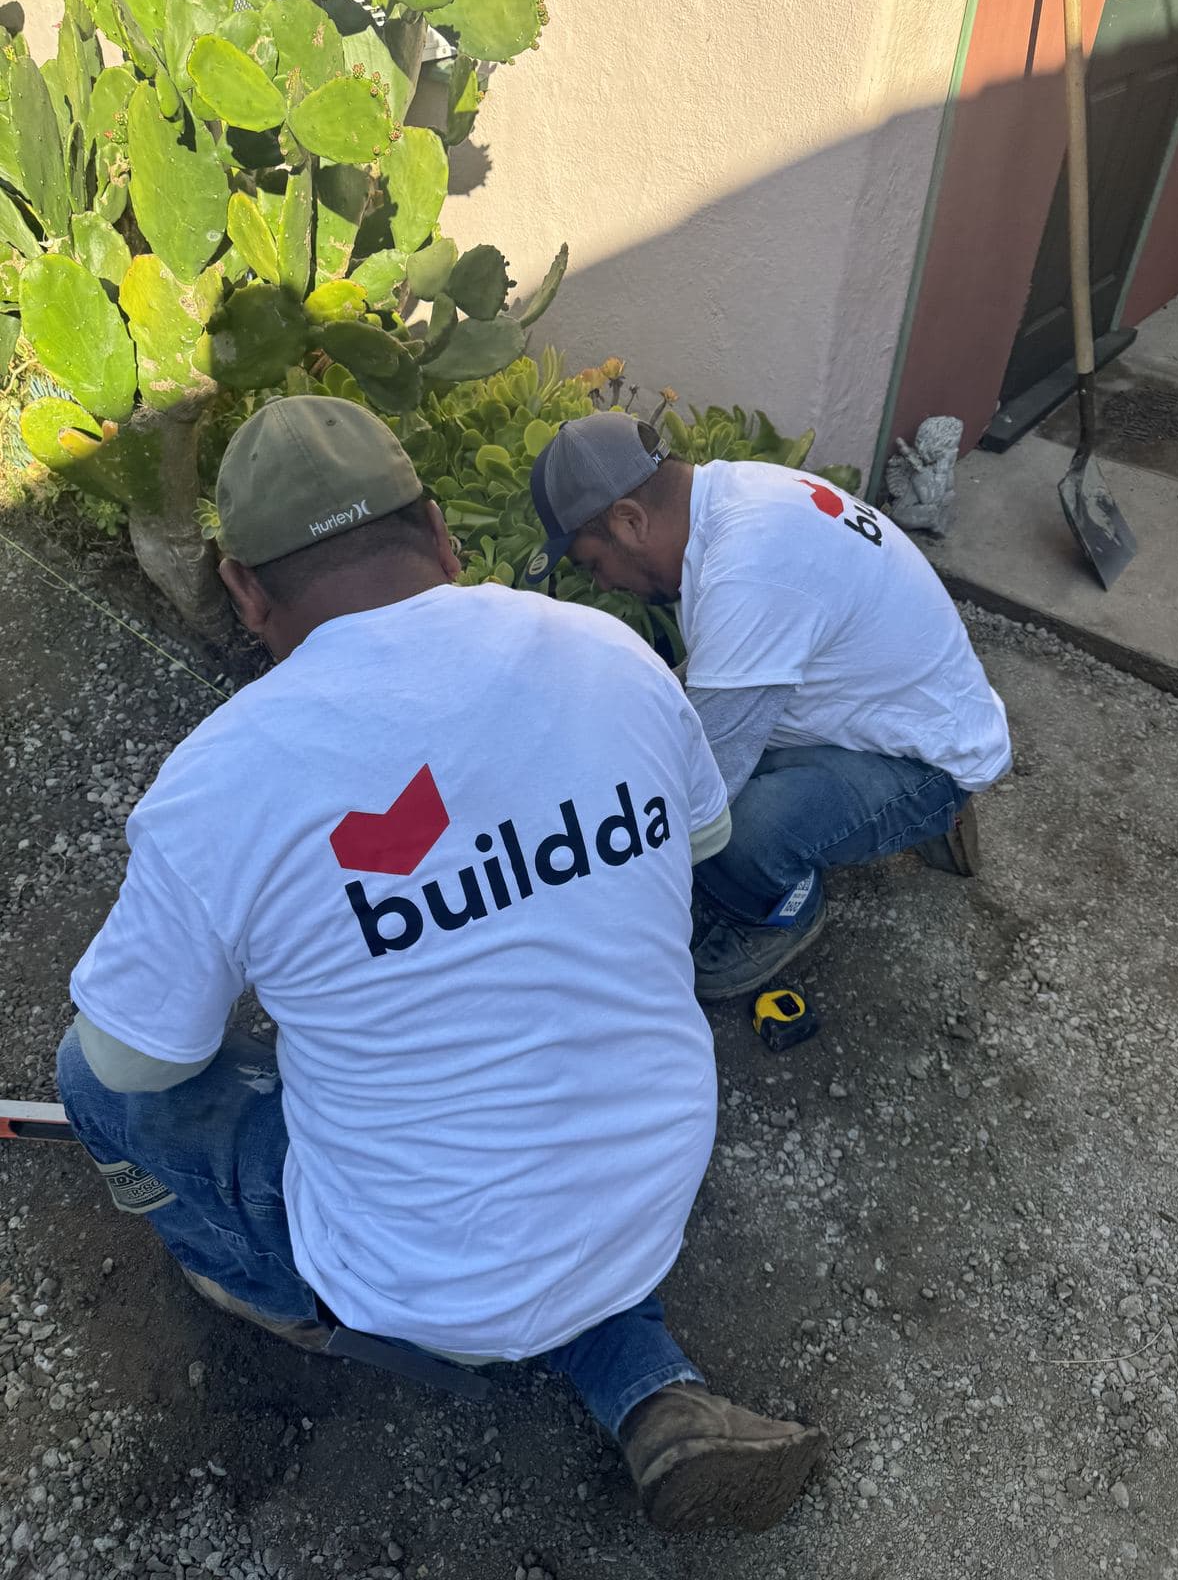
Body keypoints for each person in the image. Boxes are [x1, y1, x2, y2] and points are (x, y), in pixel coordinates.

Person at [56, 396, 828, 1534]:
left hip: (415, 1271)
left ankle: (289, 1296)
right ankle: (646, 1383)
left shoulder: (224, 780)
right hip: (647, 1189)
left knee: (87, 1073)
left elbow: (132, 1061)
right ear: (439, 532)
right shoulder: (612, 656)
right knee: (521, 1132)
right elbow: (705, 836)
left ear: (246, 590)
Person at [523, 413, 1012, 1000]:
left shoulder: (751, 565)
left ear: (629, 522)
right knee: (671, 746)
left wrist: (576, 893)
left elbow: (701, 794)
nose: (601, 584)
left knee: (738, 833)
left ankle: (780, 909)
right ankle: (868, 813)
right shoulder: (730, 500)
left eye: (591, 564)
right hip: (890, 712)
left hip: (927, 761)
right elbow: (700, 697)